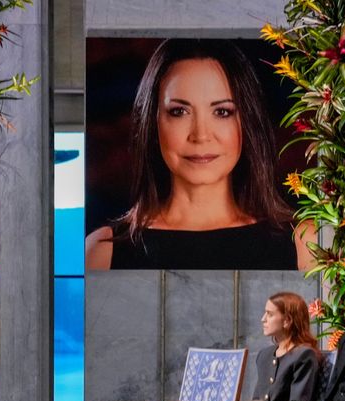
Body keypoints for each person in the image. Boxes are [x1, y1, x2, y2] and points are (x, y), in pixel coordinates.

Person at [85, 38, 312, 270]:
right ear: (153, 124)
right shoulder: (103, 252)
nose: (201, 135)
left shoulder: (303, 244)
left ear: (246, 122)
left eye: (222, 111)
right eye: (179, 111)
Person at [252, 292, 320, 401]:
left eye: (270, 314)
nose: (263, 319)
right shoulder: (264, 355)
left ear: (287, 321)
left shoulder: (304, 355)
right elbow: (257, 400)